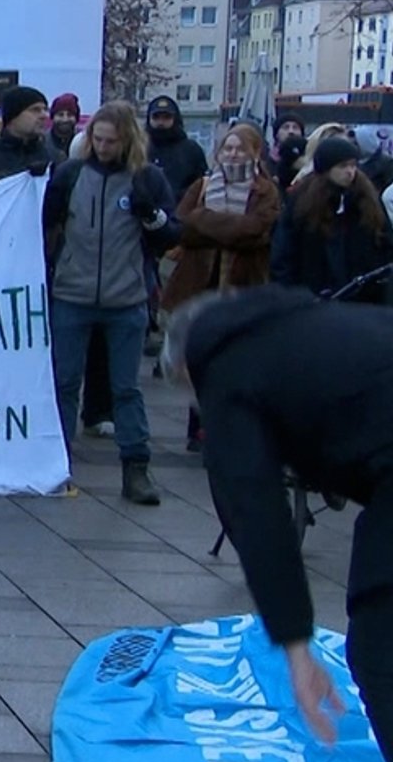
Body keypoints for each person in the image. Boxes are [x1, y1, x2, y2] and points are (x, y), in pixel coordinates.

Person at [164, 285, 393, 762]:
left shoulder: (226, 372)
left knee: (380, 648)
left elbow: (258, 513)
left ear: (187, 370)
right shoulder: (304, 322)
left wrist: (296, 649)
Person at [44, 100, 179, 505]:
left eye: (110, 141)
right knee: (65, 383)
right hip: (73, 291)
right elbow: (46, 222)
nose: (102, 148)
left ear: (126, 141)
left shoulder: (146, 179)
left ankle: (136, 468)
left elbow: (170, 235)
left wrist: (150, 215)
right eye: (97, 140)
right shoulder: (70, 174)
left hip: (126, 296)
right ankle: (57, 461)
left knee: (126, 388)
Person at [159, 123, 279, 454]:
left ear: (255, 152)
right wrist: (228, 228)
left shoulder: (265, 190)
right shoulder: (202, 185)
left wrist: (208, 222)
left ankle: (233, 428)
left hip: (243, 284)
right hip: (200, 284)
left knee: (237, 362)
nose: (233, 154)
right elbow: (182, 227)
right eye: (228, 148)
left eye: (240, 148)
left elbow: (257, 230)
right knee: (199, 359)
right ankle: (198, 430)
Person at [273, 135, 393, 303]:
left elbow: (385, 242)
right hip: (314, 298)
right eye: (343, 166)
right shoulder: (302, 202)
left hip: (363, 298)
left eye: (353, 165)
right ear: (327, 169)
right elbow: (285, 252)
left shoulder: (367, 200)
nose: (350, 172)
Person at [0, 87, 56, 188]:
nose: (44, 116)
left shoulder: (53, 155)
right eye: (35, 110)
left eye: (45, 109)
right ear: (13, 116)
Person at [145, 95, 209, 206]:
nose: (161, 122)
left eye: (166, 117)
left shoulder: (191, 150)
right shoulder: (139, 148)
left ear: (175, 119)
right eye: (156, 117)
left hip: (182, 213)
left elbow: (201, 185)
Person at [48, 93, 82, 165]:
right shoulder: (41, 140)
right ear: (52, 117)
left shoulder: (83, 141)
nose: (65, 119)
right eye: (60, 115)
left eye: (70, 115)